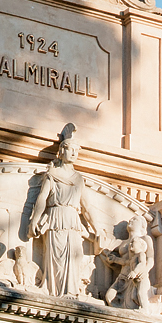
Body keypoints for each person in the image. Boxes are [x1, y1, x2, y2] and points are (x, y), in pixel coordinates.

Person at [28, 124, 100, 296]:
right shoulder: (52, 175)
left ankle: (71, 291)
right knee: (56, 258)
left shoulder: (78, 178)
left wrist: (97, 228)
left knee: (74, 257)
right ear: (61, 152)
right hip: (55, 217)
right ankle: (55, 291)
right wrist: (34, 220)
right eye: (70, 149)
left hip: (72, 220)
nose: (74, 153)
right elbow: (41, 199)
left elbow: (87, 207)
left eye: (77, 150)